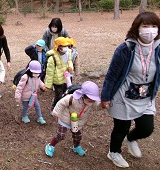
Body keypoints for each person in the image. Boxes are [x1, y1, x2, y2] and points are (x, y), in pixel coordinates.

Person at [101, 11, 160, 168]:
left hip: (145, 96)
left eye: (154, 26)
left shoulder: (158, 49)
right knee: (121, 128)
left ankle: (131, 138)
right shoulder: (126, 49)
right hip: (124, 96)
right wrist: (105, 96)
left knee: (147, 128)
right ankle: (114, 152)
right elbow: (112, 75)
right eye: (145, 26)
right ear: (137, 28)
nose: (150, 30)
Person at [45, 81, 101, 157]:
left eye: (93, 100)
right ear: (83, 96)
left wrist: (103, 105)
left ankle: (76, 146)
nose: (92, 102)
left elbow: (97, 106)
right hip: (66, 119)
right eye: (90, 100)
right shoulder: (72, 98)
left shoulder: (91, 102)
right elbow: (60, 104)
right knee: (60, 135)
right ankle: (51, 145)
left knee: (78, 136)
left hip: (77, 122)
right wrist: (56, 113)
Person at [45, 37, 73, 111]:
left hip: (66, 78)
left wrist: (70, 67)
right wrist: (48, 85)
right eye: (64, 46)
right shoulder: (52, 58)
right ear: (59, 47)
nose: (66, 48)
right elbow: (49, 73)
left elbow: (70, 61)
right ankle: (55, 109)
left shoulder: (68, 53)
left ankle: (63, 107)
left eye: (67, 46)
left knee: (66, 93)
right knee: (58, 95)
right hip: (57, 80)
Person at [15, 60, 47, 124]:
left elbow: (40, 82)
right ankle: (24, 116)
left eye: (38, 73)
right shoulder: (25, 77)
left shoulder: (37, 77)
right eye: (35, 73)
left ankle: (40, 117)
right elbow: (19, 87)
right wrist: (17, 97)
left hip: (34, 95)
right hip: (25, 96)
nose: (36, 74)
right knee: (25, 107)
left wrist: (43, 87)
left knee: (37, 106)